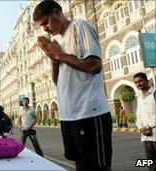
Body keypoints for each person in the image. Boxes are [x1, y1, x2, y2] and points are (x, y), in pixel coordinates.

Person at [33, 1, 112, 170]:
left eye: (46, 22)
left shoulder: (79, 26)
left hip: (89, 113)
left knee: (98, 167)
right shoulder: (56, 41)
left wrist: (61, 55)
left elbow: (94, 66)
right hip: (68, 117)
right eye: (41, 26)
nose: (45, 29)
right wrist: (54, 61)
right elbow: (58, 82)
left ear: (57, 12)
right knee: (80, 164)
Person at [133, 72, 156, 171]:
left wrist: (150, 126)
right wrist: (140, 127)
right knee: (151, 161)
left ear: (146, 80)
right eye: (136, 82)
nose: (138, 84)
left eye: (140, 81)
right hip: (146, 136)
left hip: (154, 132)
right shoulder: (139, 98)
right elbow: (139, 114)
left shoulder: (154, 94)